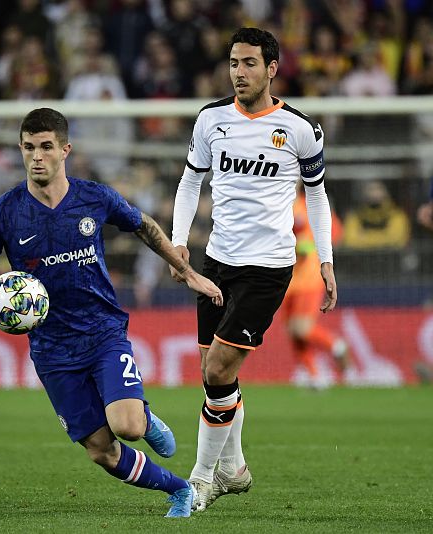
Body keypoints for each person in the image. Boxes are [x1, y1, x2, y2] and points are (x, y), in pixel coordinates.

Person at [0, 107, 224, 518]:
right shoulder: (2, 214)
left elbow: (143, 225)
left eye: (45, 147)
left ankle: (145, 418)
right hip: (51, 349)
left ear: (65, 150)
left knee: (127, 425)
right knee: (101, 450)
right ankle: (180, 490)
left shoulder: (93, 197)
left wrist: (186, 272)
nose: (36, 156)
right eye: (28, 148)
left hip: (102, 332)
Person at [169, 27, 338, 511]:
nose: (238, 72)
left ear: (271, 68)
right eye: (233, 63)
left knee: (221, 367)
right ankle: (235, 468)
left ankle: (199, 480)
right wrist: (179, 244)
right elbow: (188, 183)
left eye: (248, 63)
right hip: (216, 260)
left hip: (268, 266)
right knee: (212, 374)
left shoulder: (300, 129)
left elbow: (317, 195)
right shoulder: (210, 120)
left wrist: (325, 259)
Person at [283, 186, 349, 388]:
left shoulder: (303, 206)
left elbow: (333, 234)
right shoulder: (278, 205)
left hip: (308, 277)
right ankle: (314, 376)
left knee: (301, 328)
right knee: (293, 331)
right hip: (286, 280)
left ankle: (336, 345)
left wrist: (303, 245)